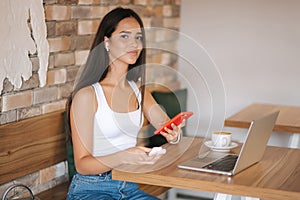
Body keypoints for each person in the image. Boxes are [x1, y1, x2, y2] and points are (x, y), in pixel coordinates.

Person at [66, 7, 184, 200]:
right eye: (124, 36)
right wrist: (123, 156)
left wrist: (174, 135)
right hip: (92, 189)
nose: (134, 43)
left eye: (138, 37)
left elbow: (165, 125)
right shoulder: (87, 95)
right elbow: (82, 165)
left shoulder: (139, 91)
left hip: (128, 186)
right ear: (106, 42)